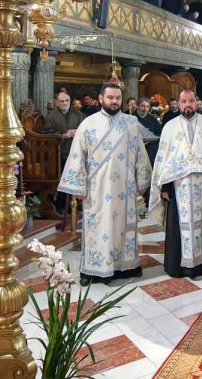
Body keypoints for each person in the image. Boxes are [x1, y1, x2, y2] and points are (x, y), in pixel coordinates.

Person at [58, 83, 151, 284]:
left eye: (118, 98)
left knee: (123, 228)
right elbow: (77, 157)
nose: (114, 101)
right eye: (110, 97)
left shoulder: (131, 123)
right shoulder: (88, 124)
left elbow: (140, 154)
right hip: (96, 189)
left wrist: (142, 180)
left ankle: (125, 267)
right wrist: (77, 187)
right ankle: (93, 270)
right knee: (98, 229)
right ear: (101, 99)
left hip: (125, 189)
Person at [147, 89, 202, 278]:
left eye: (191, 100)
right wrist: (165, 187)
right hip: (177, 185)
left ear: (197, 102)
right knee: (178, 226)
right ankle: (178, 265)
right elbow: (163, 159)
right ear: (178, 103)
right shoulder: (169, 126)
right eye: (183, 101)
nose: (187, 105)